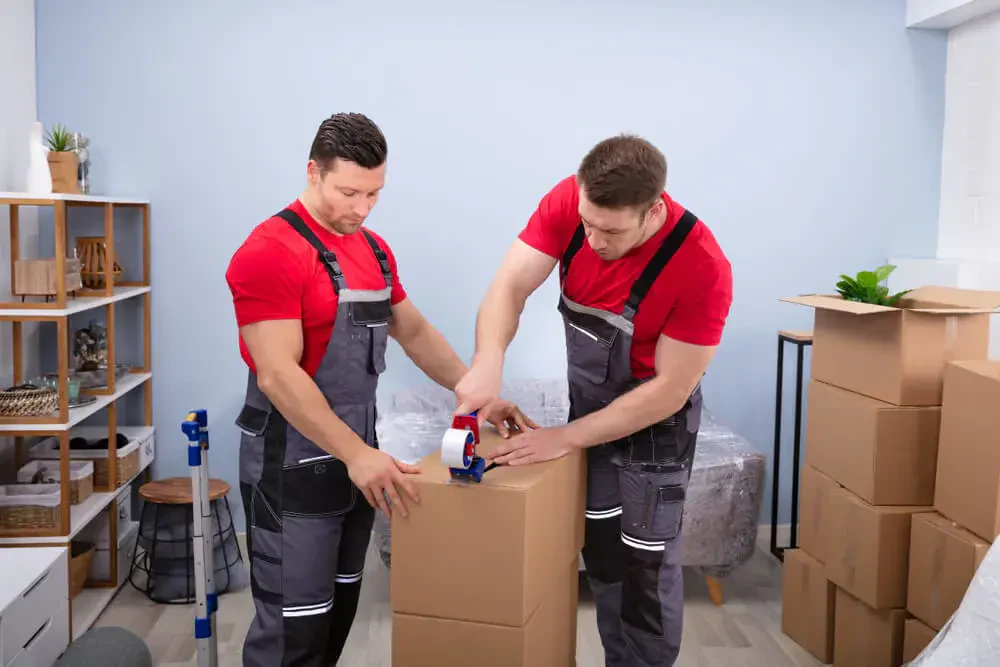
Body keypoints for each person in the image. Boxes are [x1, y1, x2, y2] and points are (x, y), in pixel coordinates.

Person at [225, 112, 532, 667]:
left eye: (374, 194)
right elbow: (277, 373)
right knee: (293, 629)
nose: (361, 208)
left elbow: (412, 330)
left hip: (356, 461)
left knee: (338, 612)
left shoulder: (374, 250)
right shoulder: (269, 251)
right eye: (349, 192)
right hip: (292, 469)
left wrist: (475, 392)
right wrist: (357, 455)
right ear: (313, 172)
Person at [454, 134, 733, 667]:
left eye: (610, 230)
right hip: (590, 413)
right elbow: (509, 286)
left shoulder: (701, 267)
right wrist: (489, 359)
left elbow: (670, 391)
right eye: (587, 223)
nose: (593, 238)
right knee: (602, 553)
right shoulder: (573, 201)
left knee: (644, 571)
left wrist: (563, 438)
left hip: (656, 430)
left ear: (654, 210)